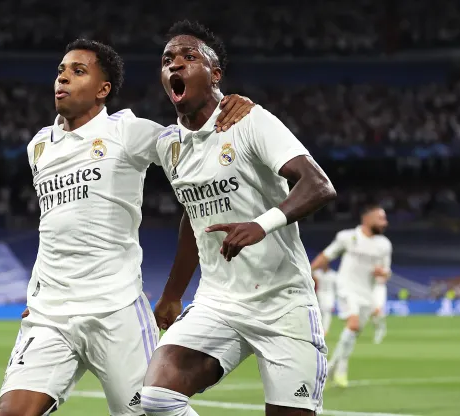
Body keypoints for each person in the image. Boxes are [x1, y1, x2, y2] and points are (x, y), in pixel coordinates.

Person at [0, 38, 256, 416]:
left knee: (151, 411)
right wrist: (39, 292)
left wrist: (231, 111)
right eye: (61, 71)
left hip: (116, 311)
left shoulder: (128, 132)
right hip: (49, 315)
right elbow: (57, 227)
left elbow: (198, 150)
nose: (63, 78)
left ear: (103, 90)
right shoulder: (39, 147)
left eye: (78, 71)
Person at [141, 21, 337, 416]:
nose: (175, 65)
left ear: (215, 75)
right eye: (167, 60)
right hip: (220, 303)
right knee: (157, 398)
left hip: (284, 304)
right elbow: (191, 216)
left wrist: (260, 224)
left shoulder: (250, 121)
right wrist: (174, 293)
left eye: (188, 57)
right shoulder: (167, 145)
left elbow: (318, 185)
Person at [310, 204, 392, 387]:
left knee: (353, 332)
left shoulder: (384, 245)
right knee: (353, 324)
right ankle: (334, 368)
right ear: (367, 218)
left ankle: (337, 366)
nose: (385, 223)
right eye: (381, 218)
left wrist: (383, 273)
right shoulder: (348, 237)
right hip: (346, 287)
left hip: (367, 292)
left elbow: (387, 272)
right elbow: (327, 255)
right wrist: (309, 271)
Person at [314, 266, 338, 336]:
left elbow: (336, 287)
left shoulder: (333, 274)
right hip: (319, 294)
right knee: (318, 313)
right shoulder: (317, 273)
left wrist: (335, 297)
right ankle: (318, 329)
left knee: (327, 312)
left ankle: (325, 330)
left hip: (329, 295)